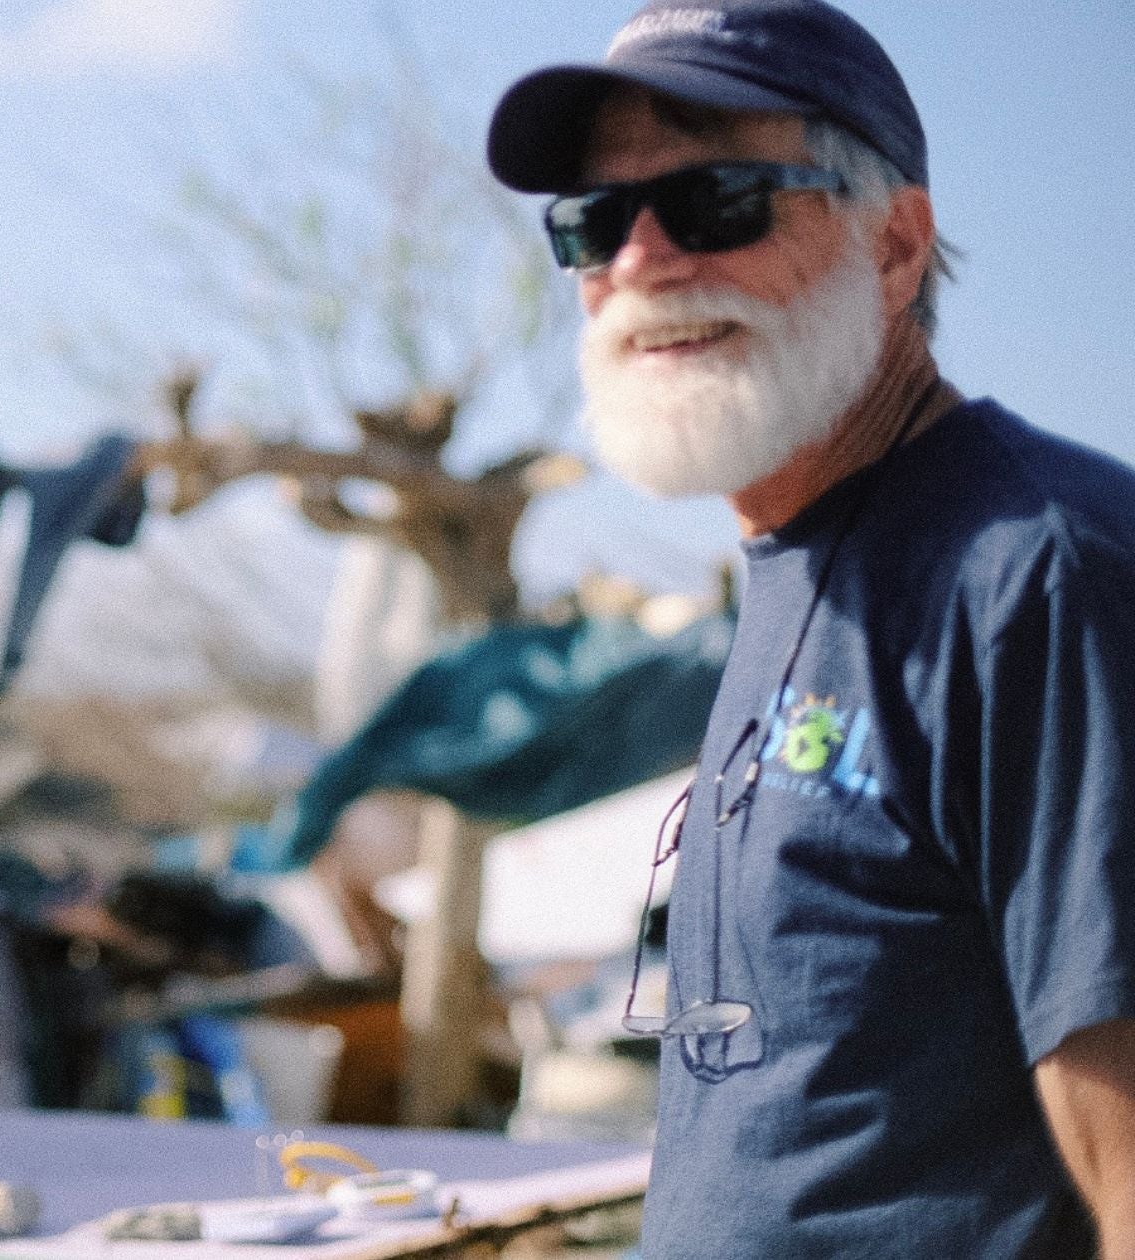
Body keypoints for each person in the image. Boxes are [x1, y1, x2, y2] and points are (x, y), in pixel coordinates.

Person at [486, 2, 1135, 1256]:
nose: (642, 262)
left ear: (895, 245)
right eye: (593, 222)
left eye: (716, 201)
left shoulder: (1038, 575)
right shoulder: (798, 560)